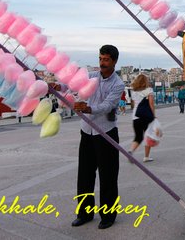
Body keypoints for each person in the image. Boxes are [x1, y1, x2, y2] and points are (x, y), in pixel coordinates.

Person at [72, 45, 125, 230]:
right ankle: (84, 213)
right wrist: (58, 85)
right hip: (87, 132)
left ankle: (108, 216)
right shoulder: (92, 77)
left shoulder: (118, 84)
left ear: (114, 61)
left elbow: (108, 105)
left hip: (106, 134)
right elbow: (73, 83)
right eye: (101, 58)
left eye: (106, 60)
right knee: (85, 175)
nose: (102, 63)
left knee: (108, 176)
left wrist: (89, 109)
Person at [128, 74, 155, 162]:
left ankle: (131, 151)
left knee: (138, 137)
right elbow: (151, 104)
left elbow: (133, 104)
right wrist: (153, 116)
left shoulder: (134, 92)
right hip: (146, 117)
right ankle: (146, 157)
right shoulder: (149, 90)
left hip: (135, 117)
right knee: (148, 136)